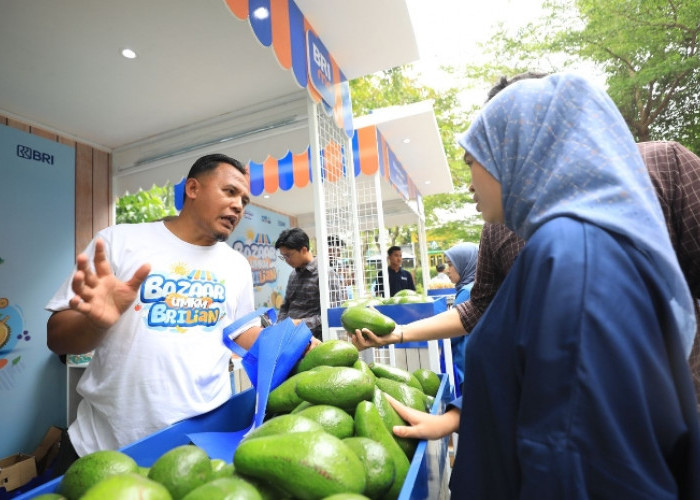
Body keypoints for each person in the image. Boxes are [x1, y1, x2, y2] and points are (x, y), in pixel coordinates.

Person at [352, 74, 700, 497]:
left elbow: (577, 459)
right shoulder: (548, 245)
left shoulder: (575, 258)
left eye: (472, 160)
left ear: (519, 147)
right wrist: (461, 413)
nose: (469, 181)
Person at [45, 153, 270, 465]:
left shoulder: (236, 265)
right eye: (230, 192)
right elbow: (56, 339)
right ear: (193, 188)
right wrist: (95, 324)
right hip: (102, 449)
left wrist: (301, 347)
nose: (238, 206)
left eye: (244, 201)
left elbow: (243, 332)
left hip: (195, 450)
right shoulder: (120, 241)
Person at [275, 228, 345, 340]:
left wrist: (300, 323)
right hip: (290, 338)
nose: (286, 260)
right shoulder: (294, 274)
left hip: (315, 341)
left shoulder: (326, 274)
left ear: (303, 250)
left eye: (288, 255)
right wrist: (280, 325)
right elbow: (286, 305)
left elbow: (334, 314)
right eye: (283, 257)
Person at [443, 242, 478, 393]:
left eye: (451, 264)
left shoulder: (467, 292)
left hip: (466, 367)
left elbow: (452, 333)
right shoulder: (477, 286)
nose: (447, 270)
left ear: (465, 263)